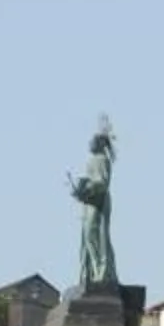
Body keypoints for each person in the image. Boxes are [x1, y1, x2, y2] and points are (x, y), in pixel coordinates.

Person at [68, 120, 117, 287]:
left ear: (99, 143)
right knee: (87, 236)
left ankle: (102, 272)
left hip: (99, 202)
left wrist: (88, 188)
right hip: (89, 203)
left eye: (92, 141)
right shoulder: (92, 160)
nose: (89, 143)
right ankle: (90, 272)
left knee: (96, 235)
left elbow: (103, 182)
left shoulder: (102, 160)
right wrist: (80, 191)